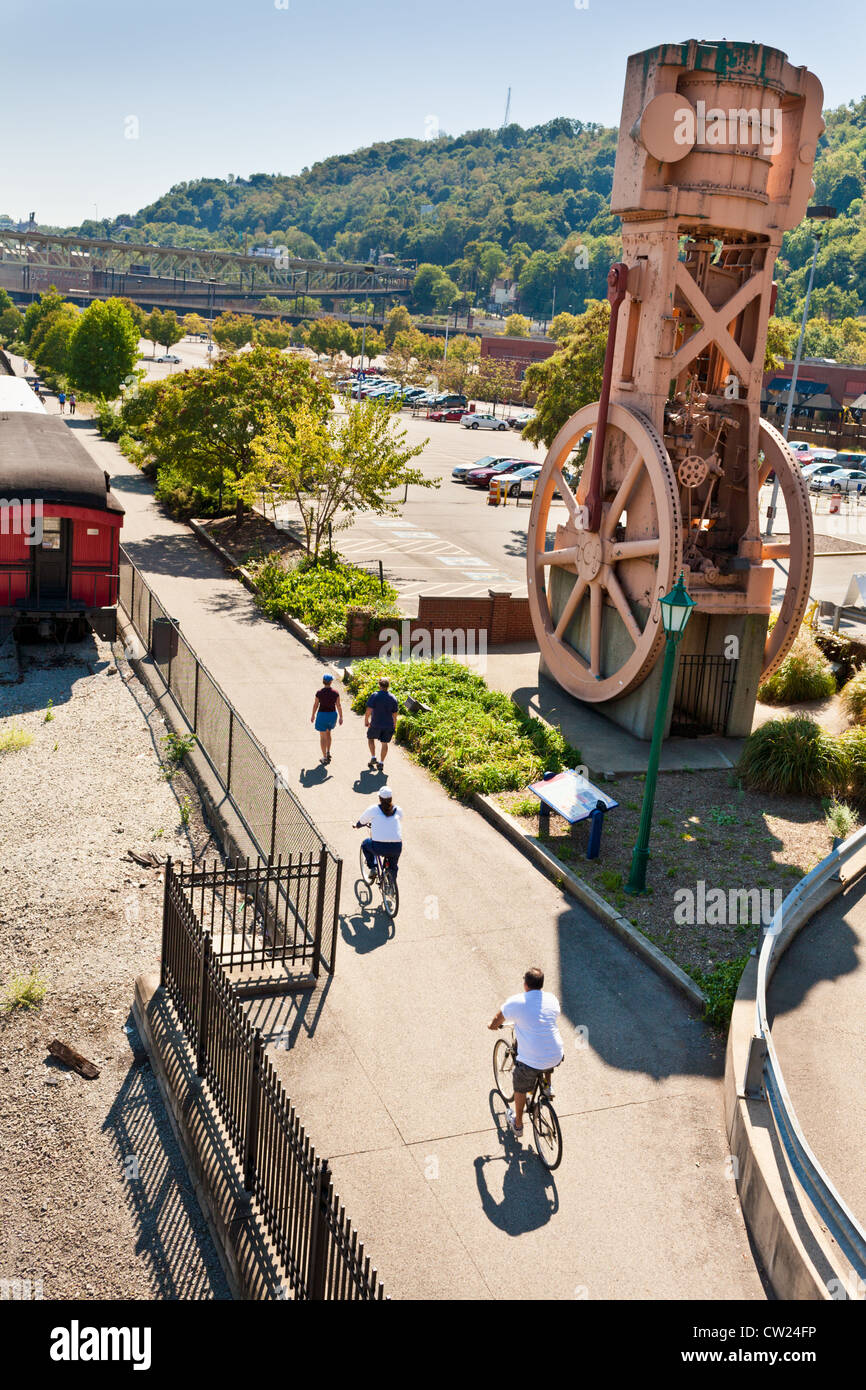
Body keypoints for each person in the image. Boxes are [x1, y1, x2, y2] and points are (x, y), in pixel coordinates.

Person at [488, 968, 563, 1139]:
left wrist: (490, 1025)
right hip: (556, 1053)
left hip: (532, 1060)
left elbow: (496, 1021)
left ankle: (518, 1124)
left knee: (520, 1084)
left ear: (525, 984)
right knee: (546, 1058)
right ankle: (546, 1087)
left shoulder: (516, 1001)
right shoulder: (551, 999)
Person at [355, 786, 403, 882]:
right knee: (393, 867)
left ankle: (373, 868)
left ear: (380, 798)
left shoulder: (374, 809)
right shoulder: (398, 809)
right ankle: (391, 886)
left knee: (365, 844)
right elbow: (399, 820)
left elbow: (362, 820)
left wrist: (357, 825)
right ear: (391, 798)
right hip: (396, 846)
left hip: (379, 846)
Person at [364, 674, 399, 771]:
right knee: (384, 743)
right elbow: (395, 714)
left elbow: (369, 710)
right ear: (388, 686)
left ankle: (373, 757)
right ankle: (381, 763)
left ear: (379, 685)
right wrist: (394, 724)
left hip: (375, 723)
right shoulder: (393, 697)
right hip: (388, 725)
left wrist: (366, 720)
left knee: (371, 738)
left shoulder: (375, 695)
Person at [310, 670, 342, 764]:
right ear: (331, 682)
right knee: (329, 733)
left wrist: (313, 715)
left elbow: (315, 705)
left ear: (323, 681)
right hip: (332, 715)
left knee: (322, 737)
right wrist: (341, 717)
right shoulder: (335, 693)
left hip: (322, 715)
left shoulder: (319, 692)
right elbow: (338, 705)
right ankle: (328, 752)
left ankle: (324, 757)